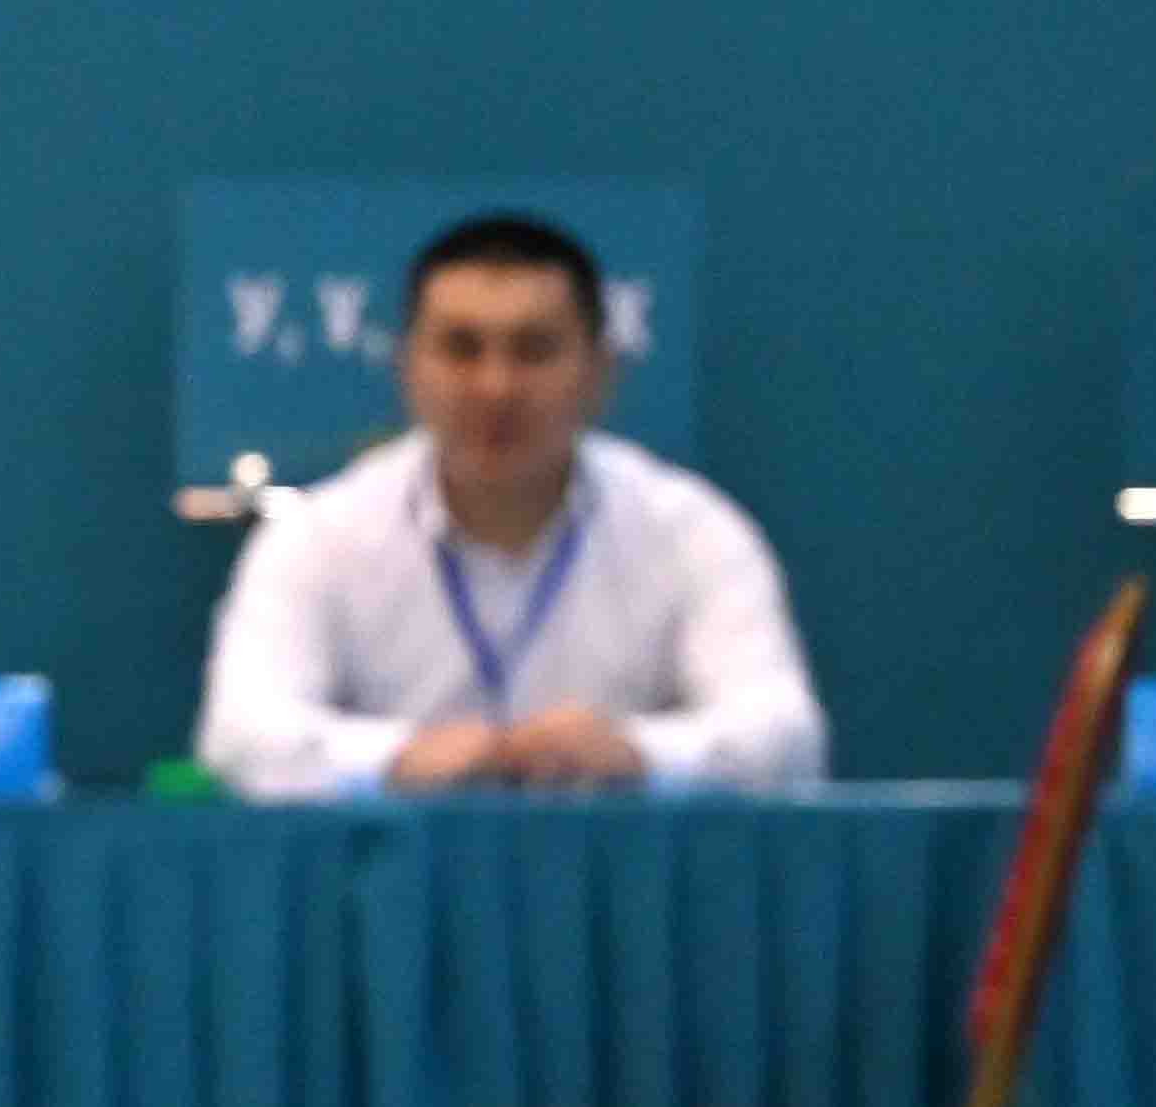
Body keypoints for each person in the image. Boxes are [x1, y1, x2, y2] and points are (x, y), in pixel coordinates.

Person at [190, 212, 827, 798]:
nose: (496, 387)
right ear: (407, 367)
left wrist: (638, 752)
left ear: (600, 371)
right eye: (462, 348)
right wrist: (396, 757)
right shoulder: (319, 534)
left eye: (534, 349)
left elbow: (786, 735)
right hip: (388, 878)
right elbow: (238, 735)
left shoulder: (692, 530)